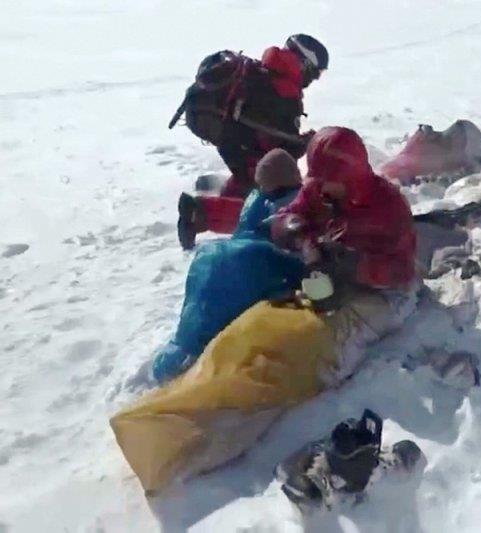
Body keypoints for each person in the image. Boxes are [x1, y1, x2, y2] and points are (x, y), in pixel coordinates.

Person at [272, 126, 419, 382]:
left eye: (327, 179)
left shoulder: (388, 206)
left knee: (330, 343)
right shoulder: (319, 191)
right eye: (317, 179)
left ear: (349, 176)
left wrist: (353, 266)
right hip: (334, 285)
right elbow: (287, 217)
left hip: (387, 293)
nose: (320, 186)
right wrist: (296, 231)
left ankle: (316, 381)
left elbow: (402, 271)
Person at [152, 150, 305, 383]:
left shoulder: (255, 198)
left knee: (204, 307)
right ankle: (201, 357)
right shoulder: (293, 201)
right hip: (255, 260)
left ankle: (181, 352)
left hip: (217, 256)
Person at [178, 34, 329, 250]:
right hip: (239, 141)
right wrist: (304, 144)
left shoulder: (262, 71)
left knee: (248, 176)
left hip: (229, 138)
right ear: (305, 64)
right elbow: (281, 155)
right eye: (315, 73)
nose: (313, 80)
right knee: (272, 206)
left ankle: (223, 200)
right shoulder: (284, 89)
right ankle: (200, 213)